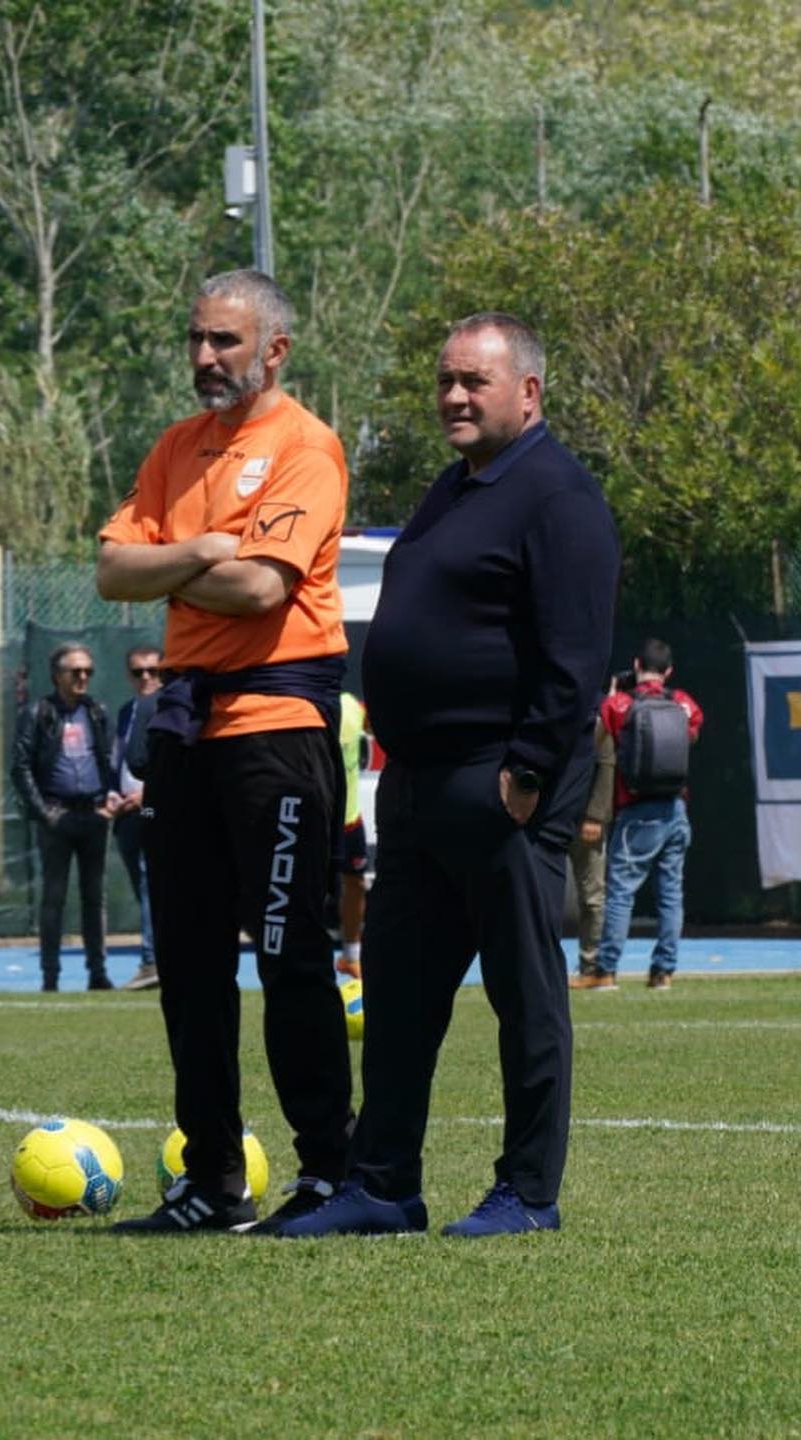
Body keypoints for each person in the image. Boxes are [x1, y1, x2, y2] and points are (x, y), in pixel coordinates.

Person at [266, 312, 619, 1241]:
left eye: (477, 381)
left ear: (529, 392)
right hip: (418, 786)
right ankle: (381, 1185)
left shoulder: (558, 496)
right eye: (446, 380)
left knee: (526, 995)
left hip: (500, 784)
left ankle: (527, 1194)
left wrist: (529, 775)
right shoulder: (454, 487)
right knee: (400, 990)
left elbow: (575, 656)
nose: (455, 397)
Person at [96, 268, 354, 1234]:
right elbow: (114, 569)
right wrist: (206, 550)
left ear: (274, 351)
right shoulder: (175, 448)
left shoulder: (305, 448)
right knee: (192, 968)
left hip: (276, 737)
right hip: (186, 739)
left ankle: (329, 1174)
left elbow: (260, 593)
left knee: (291, 961)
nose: (205, 359)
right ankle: (212, 1182)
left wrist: (183, 562)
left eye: (225, 343)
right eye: (197, 339)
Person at [574, 639, 704, 992]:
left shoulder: (620, 705)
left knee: (620, 892)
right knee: (670, 893)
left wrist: (613, 694)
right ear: (669, 671)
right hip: (676, 808)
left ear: (635, 665)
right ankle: (663, 972)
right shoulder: (683, 704)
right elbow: (689, 738)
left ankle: (605, 970)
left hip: (636, 812)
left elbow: (597, 738)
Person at [10, 643, 118, 992]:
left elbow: (108, 759)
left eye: (88, 671)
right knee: (53, 898)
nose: (83, 677)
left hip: (94, 816)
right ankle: (50, 976)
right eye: (75, 672)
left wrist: (109, 800)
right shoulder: (39, 712)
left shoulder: (96, 711)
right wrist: (44, 814)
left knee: (94, 897)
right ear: (57, 676)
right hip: (57, 817)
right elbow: (21, 766)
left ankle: (98, 973)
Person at [113, 644, 162, 991]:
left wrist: (148, 793)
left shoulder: (169, 709)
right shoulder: (127, 711)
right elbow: (118, 759)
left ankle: (151, 961)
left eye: (152, 670)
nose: (145, 677)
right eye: (138, 672)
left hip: (156, 808)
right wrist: (111, 795)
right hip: (125, 812)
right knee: (141, 883)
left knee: (151, 882)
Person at [567, 712, 616, 986]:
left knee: (592, 897)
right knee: (535, 896)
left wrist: (595, 815)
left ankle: (591, 966)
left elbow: (606, 765)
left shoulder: (597, 720)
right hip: (549, 819)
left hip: (584, 821)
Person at [336, 690, 370, 980]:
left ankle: (350, 957)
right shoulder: (306, 709)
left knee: (356, 884)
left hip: (350, 820)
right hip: (317, 821)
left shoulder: (351, 706)